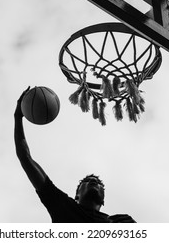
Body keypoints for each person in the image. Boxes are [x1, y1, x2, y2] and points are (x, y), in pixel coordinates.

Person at [14, 87, 136, 223]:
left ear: (103, 199)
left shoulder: (121, 221)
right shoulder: (64, 207)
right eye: (87, 181)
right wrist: (18, 117)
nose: (94, 181)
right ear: (77, 195)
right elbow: (25, 158)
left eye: (98, 183)